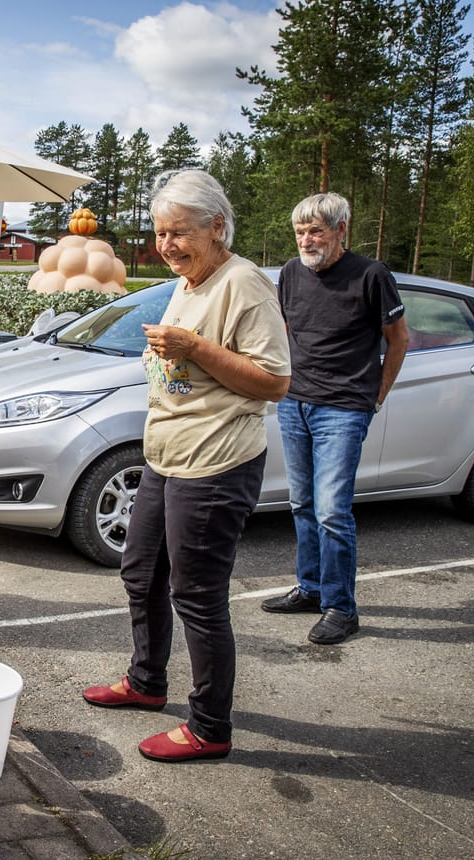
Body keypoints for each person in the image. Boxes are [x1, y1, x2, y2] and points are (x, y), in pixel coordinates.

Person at [81, 170, 290, 762]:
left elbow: (275, 381)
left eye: (178, 233)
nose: (166, 246)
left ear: (217, 226)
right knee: (141, 573)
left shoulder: (244, 284)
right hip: (167, 455)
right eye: (159, 233)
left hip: (217, 461)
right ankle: (147, 683)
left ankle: (209, 726)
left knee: (198, 595)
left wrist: (194, 348)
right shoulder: (189, 281)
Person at [260, 192, 409, 644]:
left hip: (344, 409)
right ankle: (310, 587)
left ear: (341, 230)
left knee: (331, 511)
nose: (306, 240)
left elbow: (398, 340)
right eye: (301, 232)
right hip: (295, 403)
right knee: (301, 503)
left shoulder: (371, 275)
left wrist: (375, 397)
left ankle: (342, 608)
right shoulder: (290, 273)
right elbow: (284, 333)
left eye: (316, 231)